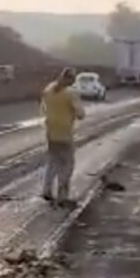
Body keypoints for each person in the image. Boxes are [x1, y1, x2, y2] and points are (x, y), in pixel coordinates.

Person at [40, 67, 86, 207]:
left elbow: (43, 109)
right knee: (67, 164)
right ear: (70, 79)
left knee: (53, 161)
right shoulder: (71, 93)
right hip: (65, 133)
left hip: (51, 132)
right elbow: (81, 114)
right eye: (72, 79)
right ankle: (62, 195)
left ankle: (46, 189)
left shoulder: (48, 89)